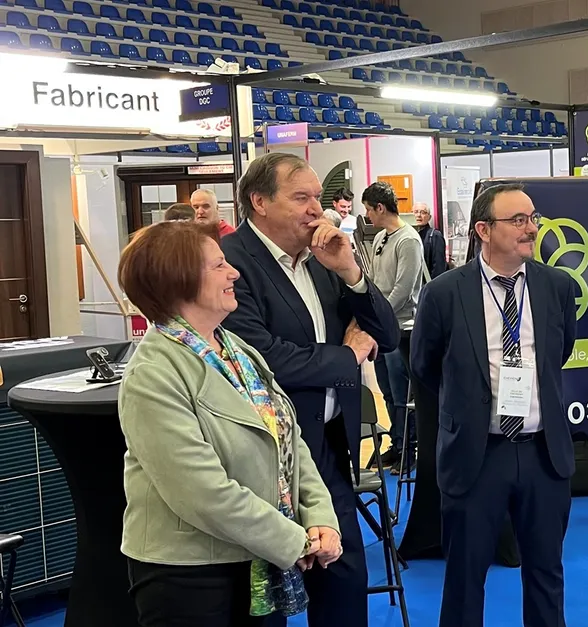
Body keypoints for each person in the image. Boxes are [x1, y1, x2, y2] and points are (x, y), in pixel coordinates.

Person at [116, 220, 342, 627]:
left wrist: (320, 516)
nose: (234, 272)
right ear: (178, 280)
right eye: (218, 266)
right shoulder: (153, 373)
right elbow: (200, 491)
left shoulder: (237, 350)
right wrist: (293, 538)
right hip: (190, 576)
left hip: (260, 559)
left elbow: (289, 441)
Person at [219, 152, 400, 627]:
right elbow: (264, 360)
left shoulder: (323, 258)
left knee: (342, 579)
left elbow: (389, 336)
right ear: (258, 201)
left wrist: (351, 272)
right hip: (261, 456)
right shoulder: (230, 265)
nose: (315, 210)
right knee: (267, 592)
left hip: (328, 445)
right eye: (301, 198)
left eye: (317, 198)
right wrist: (348, 356)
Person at [412, 183, 578, 627]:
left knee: (546, 574)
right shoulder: (445, 292)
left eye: (533, 218)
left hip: (544, 454)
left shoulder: (557, 286)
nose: (531, 228)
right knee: (466, 578)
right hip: (476, 453)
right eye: (518, 220)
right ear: (483, 229)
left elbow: (558, 354)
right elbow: (426, 367)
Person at [362, 181, 426, 474]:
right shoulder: (379, 239)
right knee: (387, 392)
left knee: (402, 394)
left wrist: (381, 314)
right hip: (382, 328)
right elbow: (374, 281)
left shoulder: (408, 240)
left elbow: (404, 288)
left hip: (403, 329)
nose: (367, 216)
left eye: (368, 209)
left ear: (380, 207)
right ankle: (396, 443)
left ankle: (408, 450)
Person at [413, 201, 448, 279]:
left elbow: (438, 267)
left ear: (429, 217)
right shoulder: (409, 236)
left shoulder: (435, 235)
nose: (418, 215)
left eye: (423, 212)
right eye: (415, 212)